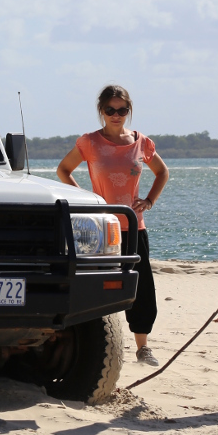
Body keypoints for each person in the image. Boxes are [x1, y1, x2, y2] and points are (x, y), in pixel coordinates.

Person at [57, 85, 169, 366]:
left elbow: (162, 171)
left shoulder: (141, 142)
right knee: (94, 286)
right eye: (110, 110)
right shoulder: (90, 142)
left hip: (135, 226)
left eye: (122, 110)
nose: (116, 115)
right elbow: (63, 170)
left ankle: (143, 348)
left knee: (141, 288)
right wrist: (86, 199)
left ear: (129, 111)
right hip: (101, 227)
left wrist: (150, 201)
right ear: (101, 111)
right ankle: (90, 347)